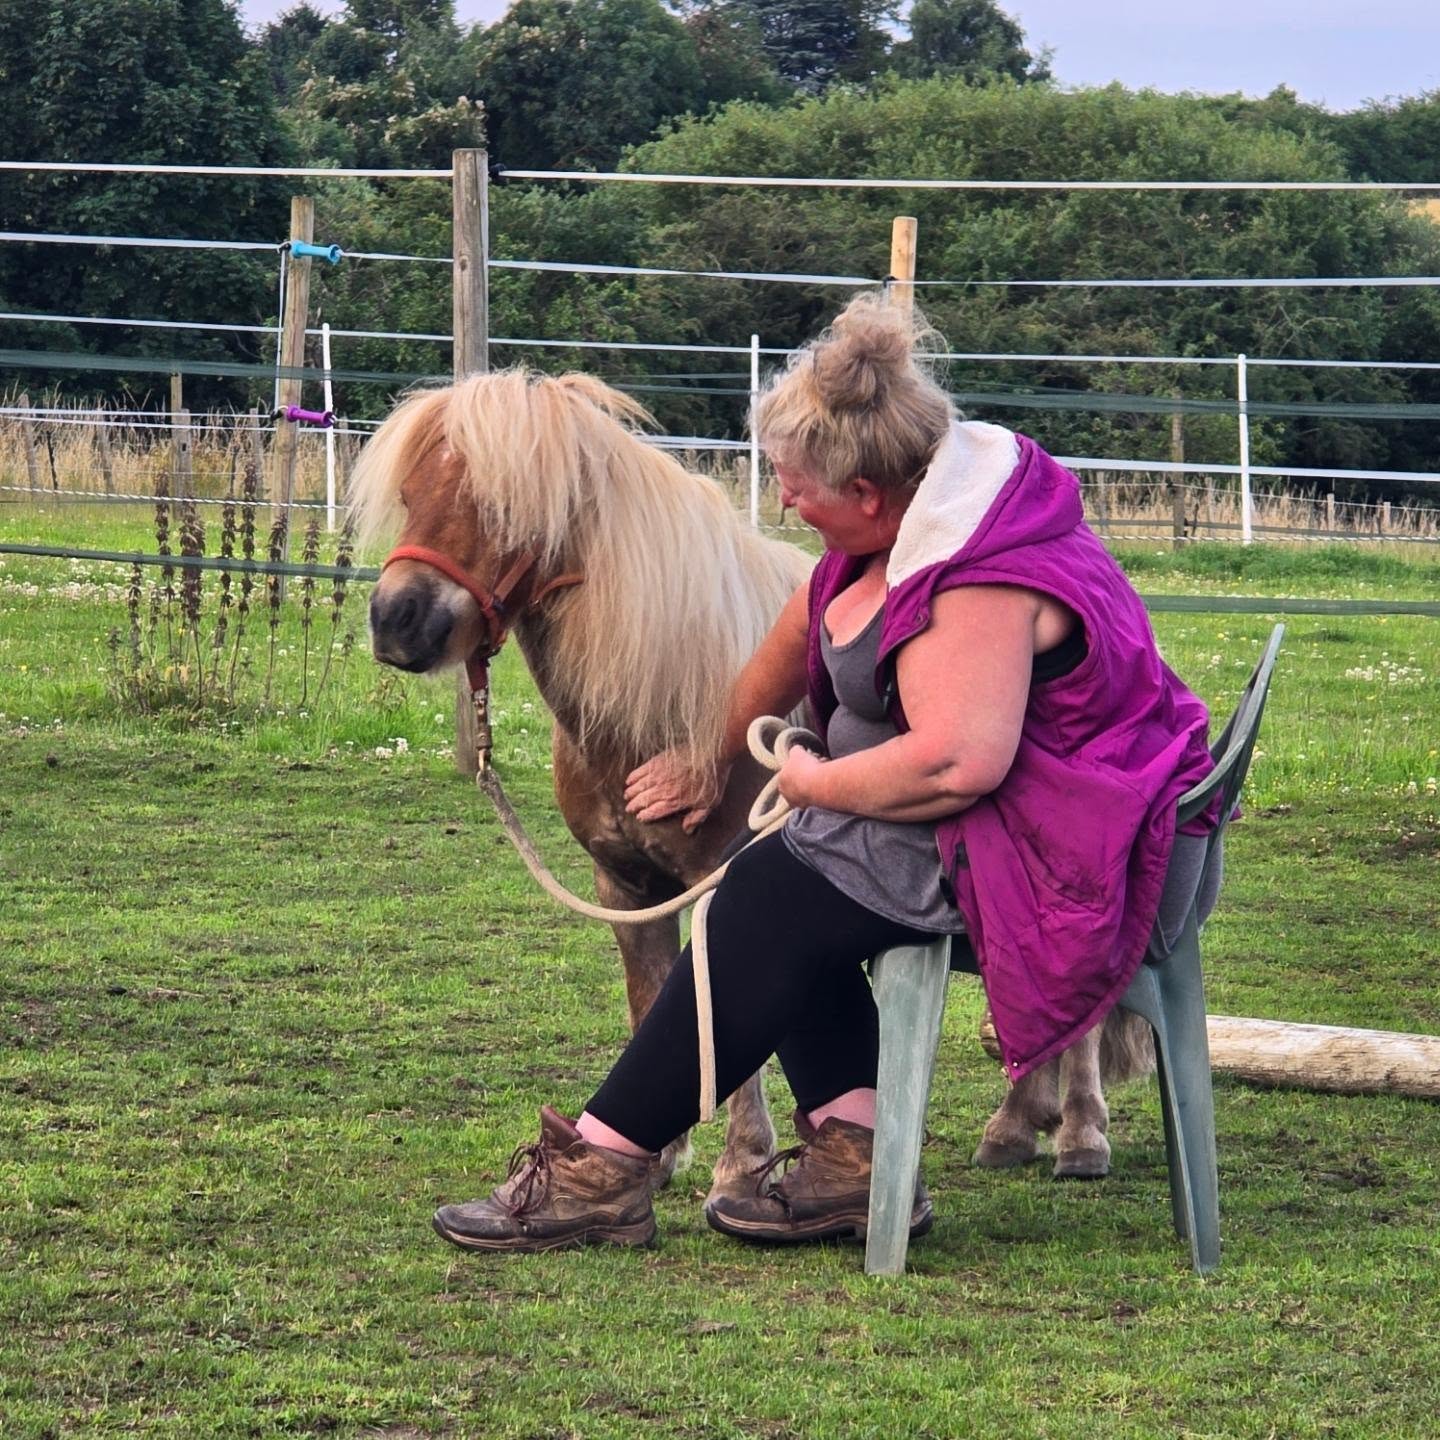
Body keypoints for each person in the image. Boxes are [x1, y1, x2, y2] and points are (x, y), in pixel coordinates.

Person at [431, 295, 1221, 1255]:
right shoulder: (910, 528)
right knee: (788, 875)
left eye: (798, 485)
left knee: (773, 889)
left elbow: (956, 761)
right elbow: (799, 632)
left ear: (871, 493)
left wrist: (812, 786)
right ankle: (852, 1157)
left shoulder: (974, 580)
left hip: (1072, 851)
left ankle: (606, 1167)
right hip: (1032, 819)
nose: (787, 501)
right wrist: (705, 754)